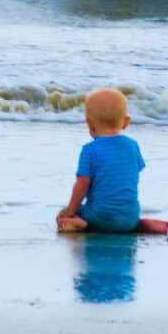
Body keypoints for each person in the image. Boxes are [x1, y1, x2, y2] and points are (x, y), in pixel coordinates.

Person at [56, 88, 145, 233]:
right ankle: (141, 224)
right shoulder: (133, 146)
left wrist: (70, 211)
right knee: (125, 215)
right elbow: (132, 175)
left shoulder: (90, 150)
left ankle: (78, 222)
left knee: (64, 214)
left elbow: (82, 184)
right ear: (126, 122)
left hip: (100, 218)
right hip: (130, 217)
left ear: (90, 124)